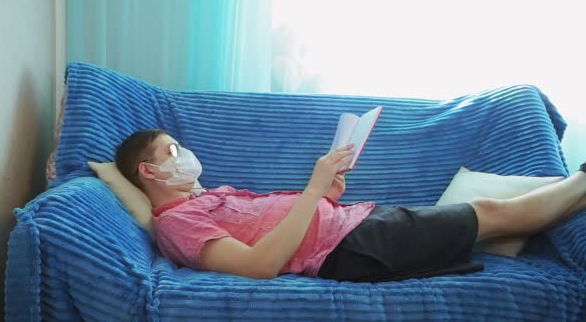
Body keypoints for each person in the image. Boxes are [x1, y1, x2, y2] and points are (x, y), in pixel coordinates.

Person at [115, 129, 586, 282]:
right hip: (349, 246)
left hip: (353, 222)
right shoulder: (176, 223)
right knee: (489, 211)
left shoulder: (209, 195)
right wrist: (314, 190)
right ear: (148, 173)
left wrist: (327, 194)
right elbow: (260, 264)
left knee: (488, 219)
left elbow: (274, 219)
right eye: (171, 151)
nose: (184, 154)